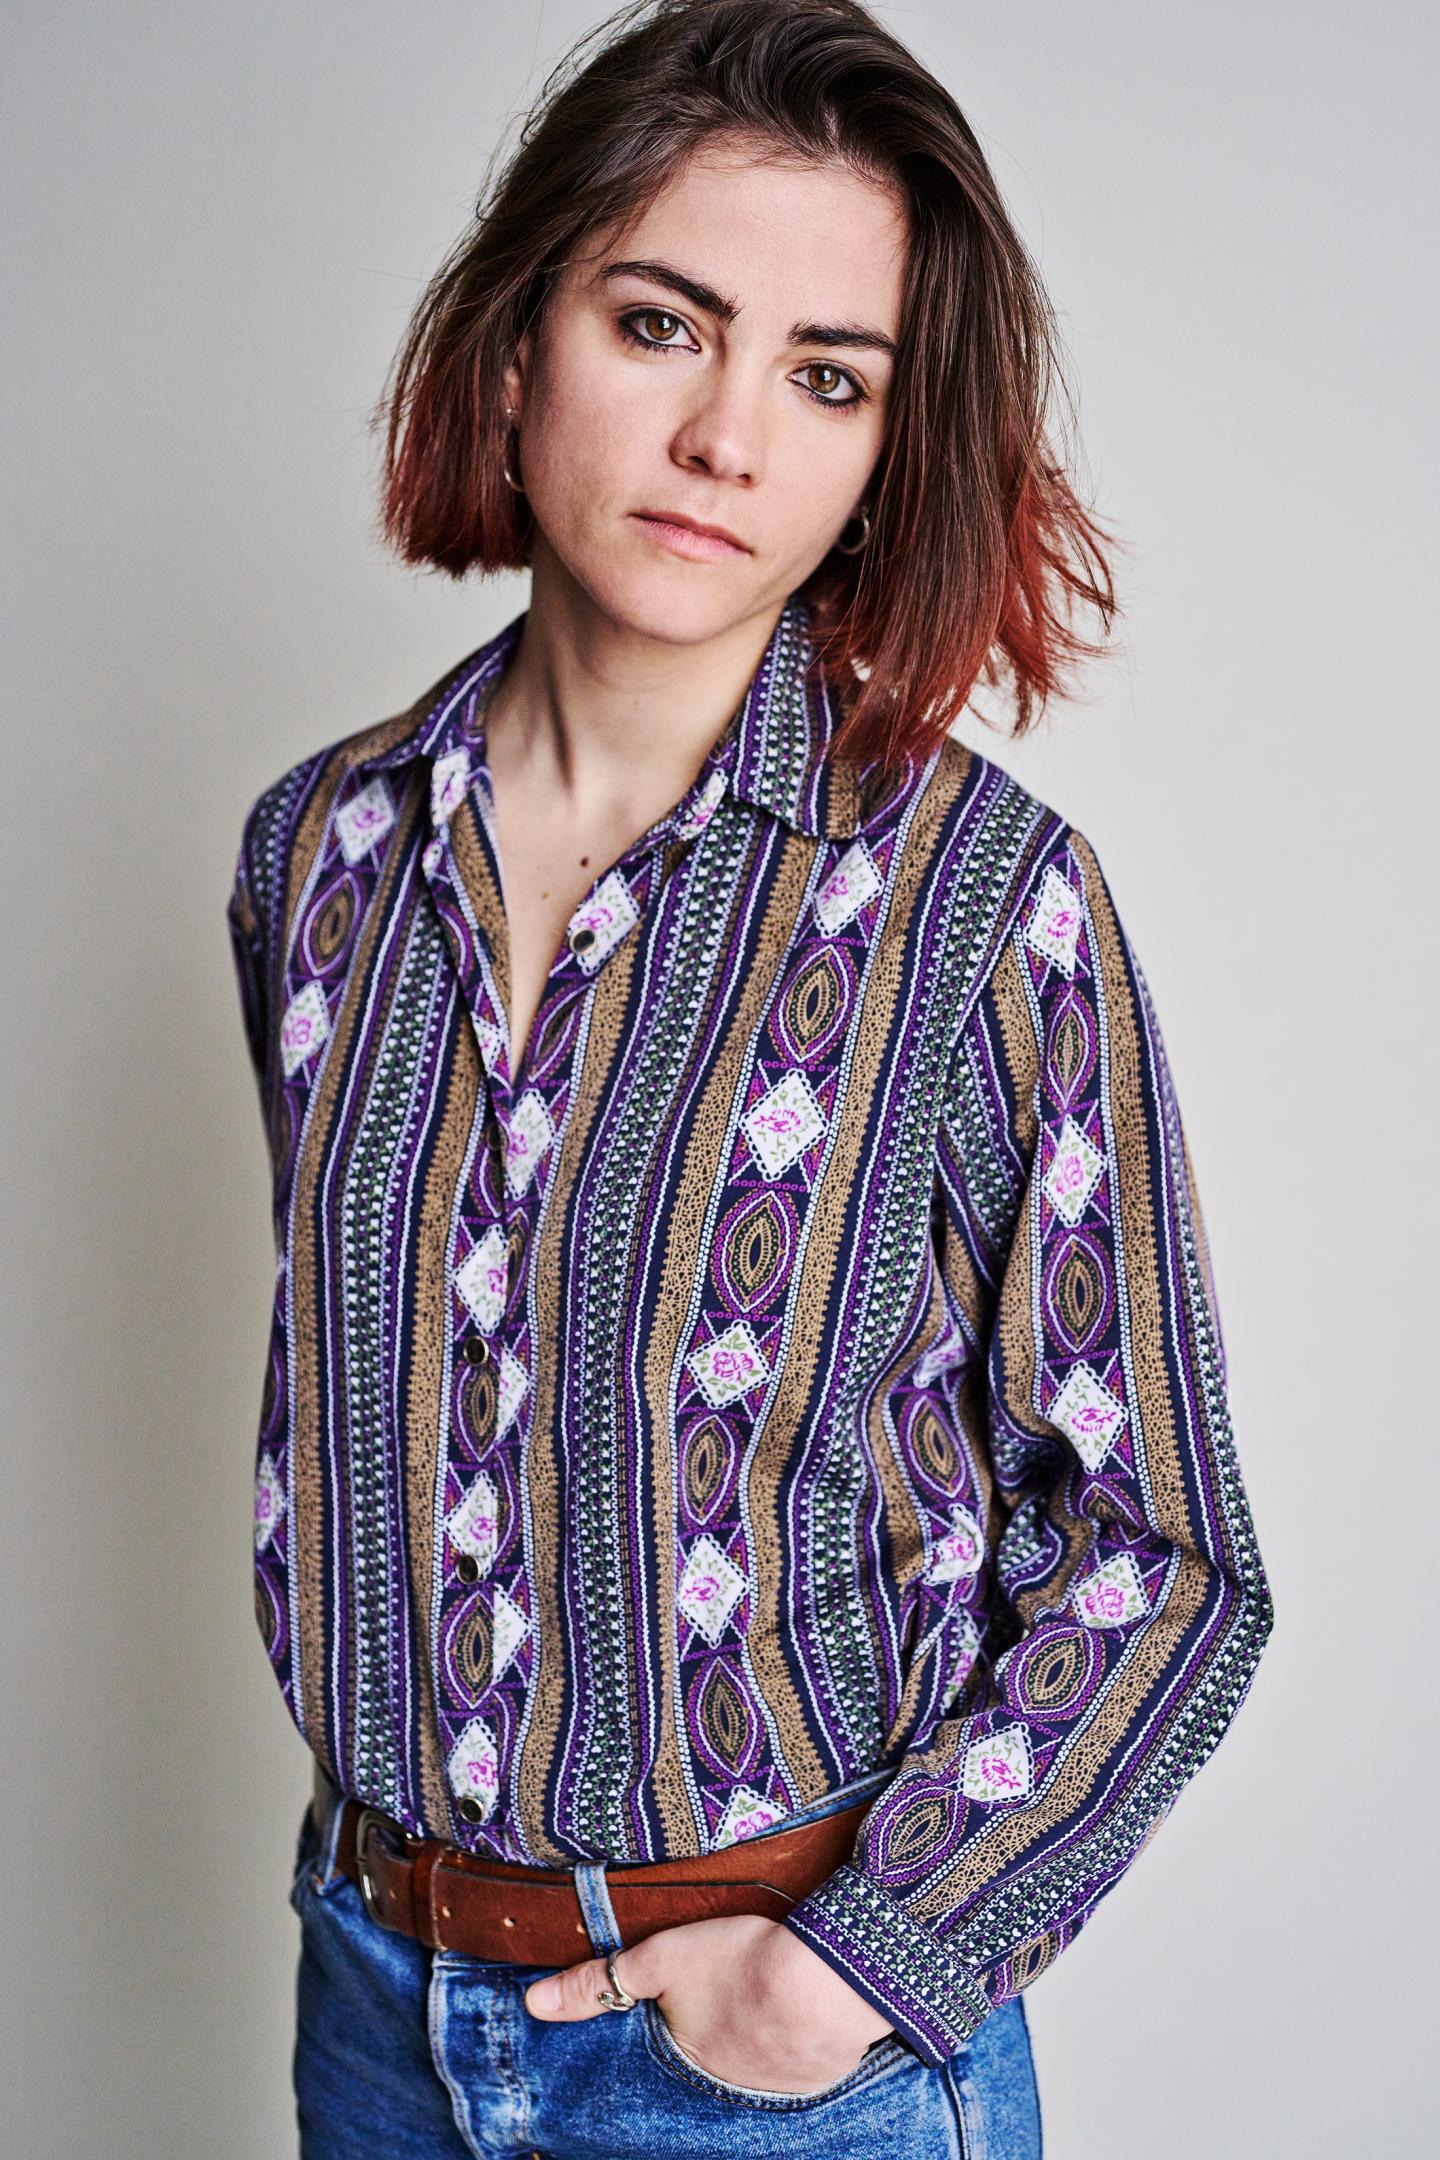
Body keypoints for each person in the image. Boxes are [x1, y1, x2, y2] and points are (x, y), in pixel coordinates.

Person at [226, 2, 1275, 2152]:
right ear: (517, 346)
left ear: (887, 447)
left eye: (825, 377)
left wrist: (857, 1976)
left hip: (773, 2067)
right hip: (374, 2002)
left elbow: (1162, 1553)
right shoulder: (315, 860)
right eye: (657, 322)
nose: (727, 436)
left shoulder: (988, 907)